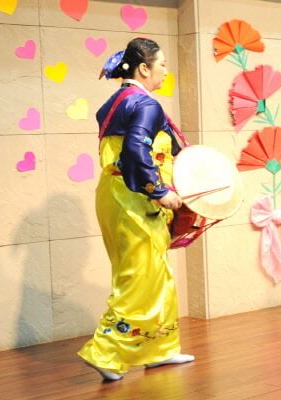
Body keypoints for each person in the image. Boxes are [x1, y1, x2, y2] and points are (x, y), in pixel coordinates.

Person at [78, 37, 194, 381]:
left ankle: (159, 349)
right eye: (162, 65)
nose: (165, 72)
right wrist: (158, 190)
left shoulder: (115, 101)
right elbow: (135, 150)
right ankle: (105, 351)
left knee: (153, 273)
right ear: (144, 68)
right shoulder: (145, 104)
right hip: (135, 199)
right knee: (140, 277)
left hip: (114, 193)